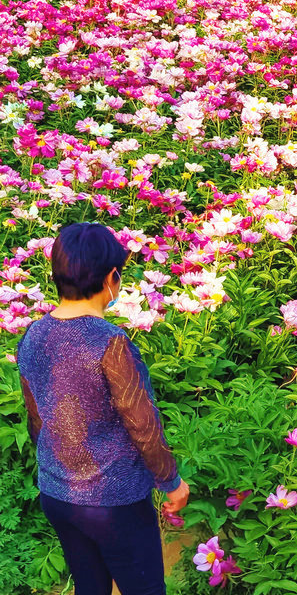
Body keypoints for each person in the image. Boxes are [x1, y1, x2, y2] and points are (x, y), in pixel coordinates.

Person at [16, 222, 190, 595]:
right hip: (114, 503)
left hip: (57, 495)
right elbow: (143, 424)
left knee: (90, 587)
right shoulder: (110, 342)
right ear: (112, 276)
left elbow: (36, 418)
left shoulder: (32, 334)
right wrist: (171, 482)